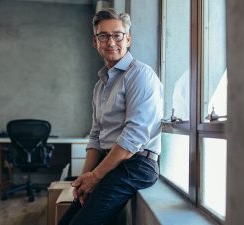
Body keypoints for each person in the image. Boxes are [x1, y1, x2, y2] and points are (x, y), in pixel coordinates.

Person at [59, 8, 163, 225]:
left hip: (136, 164)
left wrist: (95, 177)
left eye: (117, 35)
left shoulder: (140, 75)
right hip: (109, 163)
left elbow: (132, 137)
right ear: (95, 42)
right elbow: (96, 136)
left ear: (128, 39)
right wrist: (83, 180)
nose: (110, 41)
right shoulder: (100, 85)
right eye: (103, 36)